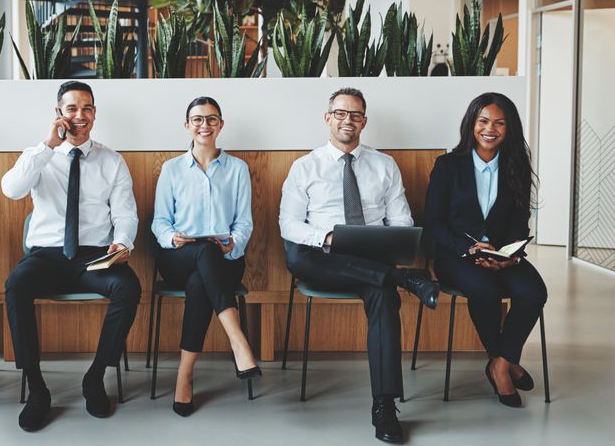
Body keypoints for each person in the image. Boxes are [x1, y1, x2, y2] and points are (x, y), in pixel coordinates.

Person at [279, 88, 439, 443]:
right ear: (327, 118)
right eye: (340, 113)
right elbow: (288, 225)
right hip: (321, 256)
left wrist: (385, 242)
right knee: (296, 256)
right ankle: (404, 279)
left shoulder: (384, 165)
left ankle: (383, 406)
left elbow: (401, 220)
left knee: (382, 293)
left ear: (364, 121)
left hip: (370, 259)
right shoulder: (305, 167)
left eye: (355, 115)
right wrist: (328, 238)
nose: (347, 120)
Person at [1, 81, 141, 431]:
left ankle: (95, 377)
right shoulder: (38, 155)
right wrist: (48, 145)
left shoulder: (112, 160)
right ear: (58, 113)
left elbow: (125, 214)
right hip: (46, 256)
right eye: (72, 109)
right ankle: (37, 388)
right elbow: (11, 189)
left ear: (94, 113)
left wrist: (123, 242)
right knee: (16, 285)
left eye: (87, 109)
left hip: (93, 258)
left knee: (128, 287)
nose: (80, 116)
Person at [424, 92, 546, 408]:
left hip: (502, 256)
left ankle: (501, 362)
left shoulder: (515, 165)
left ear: (510, 129)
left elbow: (520, 222)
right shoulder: (448, 165)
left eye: (499, 123)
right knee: (484, 290)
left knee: (534, 291)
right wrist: (469, 248)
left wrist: (511, 256)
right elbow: (433, 222)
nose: (490, 129)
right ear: (472, 124)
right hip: (455, 256)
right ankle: (504, 366)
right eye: (483, 121)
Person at [151, 96, 259, 417]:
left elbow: (244, 222)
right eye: (197, 120)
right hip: (178, 257)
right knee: (201, 254)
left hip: (224, 260)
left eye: (212, 119)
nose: (205, 125)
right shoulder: (171, 169)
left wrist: (233, 244)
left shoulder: (238, 169)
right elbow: (159, 221)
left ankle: (184, 377)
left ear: (221, 125)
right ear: (187, 126)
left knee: (202, 278)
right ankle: (237, 340)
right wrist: (172, 237)